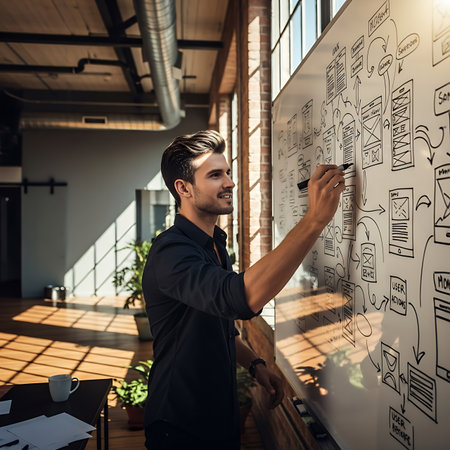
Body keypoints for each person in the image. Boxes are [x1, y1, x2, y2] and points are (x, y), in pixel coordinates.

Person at [142, 130, 345, 449]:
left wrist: (255, 363)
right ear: (184, 188)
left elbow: (216, 323)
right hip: (180, 423)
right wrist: (314, 221)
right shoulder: (170, 253)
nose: (230, 183)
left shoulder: (214, 244)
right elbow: (239, 299)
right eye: (215, 175)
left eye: (227, 173)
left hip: (219, 414)